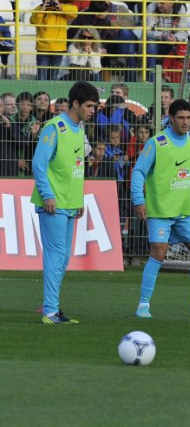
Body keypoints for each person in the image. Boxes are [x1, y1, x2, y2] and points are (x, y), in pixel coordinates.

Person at [131, 99, 190, 319]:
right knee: (158, 253)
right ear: (170, 118)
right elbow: (139, 171)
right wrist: (138, 200)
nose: (186, 122)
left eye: (189, 118)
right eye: (181, 118)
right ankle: (143, 305)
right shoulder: (156, 143)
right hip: (161, 211)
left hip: (185, 211)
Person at [31, 81, 99, 324]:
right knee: (55, 254)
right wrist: (48, 194)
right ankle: (50, 311)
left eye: (95, 106)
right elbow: (39, 163)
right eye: (90, 106)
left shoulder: (79, 129)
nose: (93, 110)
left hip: (70, 202)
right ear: (76, 103)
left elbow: (76, 167)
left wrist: (79, 198)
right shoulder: (54, 127)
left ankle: (51, 304)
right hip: (53, 202)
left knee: (63, 257)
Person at [30, 0, 77, 81]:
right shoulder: (38, 10)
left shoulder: (63, 9)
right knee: (41, 77)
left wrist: (60, 7)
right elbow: (34, 22)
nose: (50, 2)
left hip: (58, 48)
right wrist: (42, 10)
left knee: (53, 76)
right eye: (48, 0)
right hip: (43, 48)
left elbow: (74, 12)